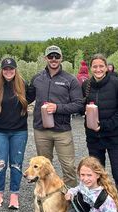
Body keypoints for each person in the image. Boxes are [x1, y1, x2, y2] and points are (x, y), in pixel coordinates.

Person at [82, 54, 118, 212]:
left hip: (115, 136)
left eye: (101, 66)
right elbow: (82, 106)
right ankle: (98, 206)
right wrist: (84, 112)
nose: (98, 69)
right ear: (91, 68)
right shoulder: (86, 85)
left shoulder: (116, 84)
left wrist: (105, 125)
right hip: (94, 137)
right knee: (96, 173)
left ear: (106, 67)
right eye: (95, 66)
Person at [27, 45, 83, 187]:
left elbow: (78, 105)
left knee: (69, 168)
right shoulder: (37, 78)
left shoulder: (70, 80)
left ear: (61, 58)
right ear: (45, 58)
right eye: (50, 56)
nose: (53, 59)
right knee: (42, 169)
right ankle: (45, 197)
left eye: (56, 56)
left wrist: (57, 108)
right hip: (41, 131)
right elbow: (26, 98)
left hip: (62, 131)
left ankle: (71, 203)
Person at [0, 58, 31, 209]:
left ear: (15, 69)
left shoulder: (23, 86)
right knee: (0, 164)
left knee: (16, 164)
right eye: (5, 69)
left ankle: (14, 194)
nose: (8, 71)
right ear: (1, 70)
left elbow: (34, 96)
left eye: (11, 68)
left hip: (19, 131)